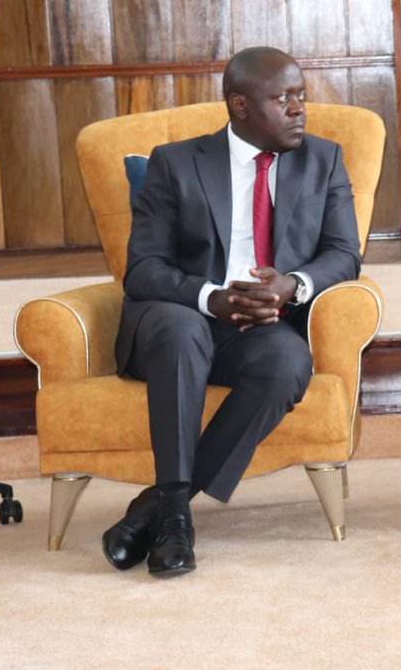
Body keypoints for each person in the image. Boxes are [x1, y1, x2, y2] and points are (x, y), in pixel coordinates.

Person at [102, 47, 362, 577]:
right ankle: (177, 525)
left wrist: (292, 285)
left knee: (287, 365)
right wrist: (211, 297)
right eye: (282, 98)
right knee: (180, 332)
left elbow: (344, 253)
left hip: (262, 324)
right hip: (181, 317)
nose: (298, 109)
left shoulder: (324, 159)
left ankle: (159, 507)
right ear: (239, 105)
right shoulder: (175, 163)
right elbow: (143, 269)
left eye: (301, 96)